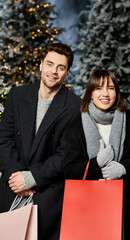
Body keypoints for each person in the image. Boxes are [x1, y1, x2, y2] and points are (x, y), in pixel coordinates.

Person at [63, 69, 130, 239]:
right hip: (90, 202)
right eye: (98, 88)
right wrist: (96, 164)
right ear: (90, 93)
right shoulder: (76, 124)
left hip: (128, 199)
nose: (105, 93)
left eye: (110, 88)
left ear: (117, 91)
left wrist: (122, 168)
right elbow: (69, 169)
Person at [0, 43, 81, 240]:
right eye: (50, 64)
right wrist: (17, 177)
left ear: (67, 73)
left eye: (60, 67)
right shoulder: (17, 96)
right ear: (41, 65)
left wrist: (31, 178)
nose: (53, 71)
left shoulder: (75, 107)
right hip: (12, 185)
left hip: (48, 191)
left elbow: (66, 154)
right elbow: (4, 139)